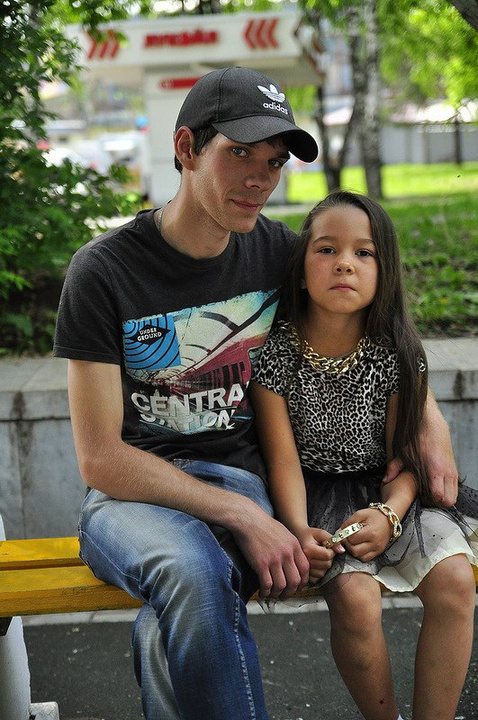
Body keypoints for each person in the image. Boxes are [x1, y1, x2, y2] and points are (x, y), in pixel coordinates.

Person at [54, 66, 458, 720]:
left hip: (243, 479)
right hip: (131, 499)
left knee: (173, 618)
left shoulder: (281, 256)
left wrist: (430, 429)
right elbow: (100, 457)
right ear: (186, 148)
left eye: (273, 162)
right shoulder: (104, 271)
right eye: (240, 153)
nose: (260, 180)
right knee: (190, 572)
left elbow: (384, 339)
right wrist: (248, 518)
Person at [250, 190, 478, 720]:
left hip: (390, 493)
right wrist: (298, 530)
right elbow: (282, 461)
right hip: (311, 497)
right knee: (354, 598)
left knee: (454, 582)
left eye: (364, 252)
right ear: (300, 271)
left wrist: (390, 514)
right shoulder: (275, 354)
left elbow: (406, 462)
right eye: (327, 250)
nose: (345, 263)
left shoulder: (396, 352)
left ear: (384, 272)